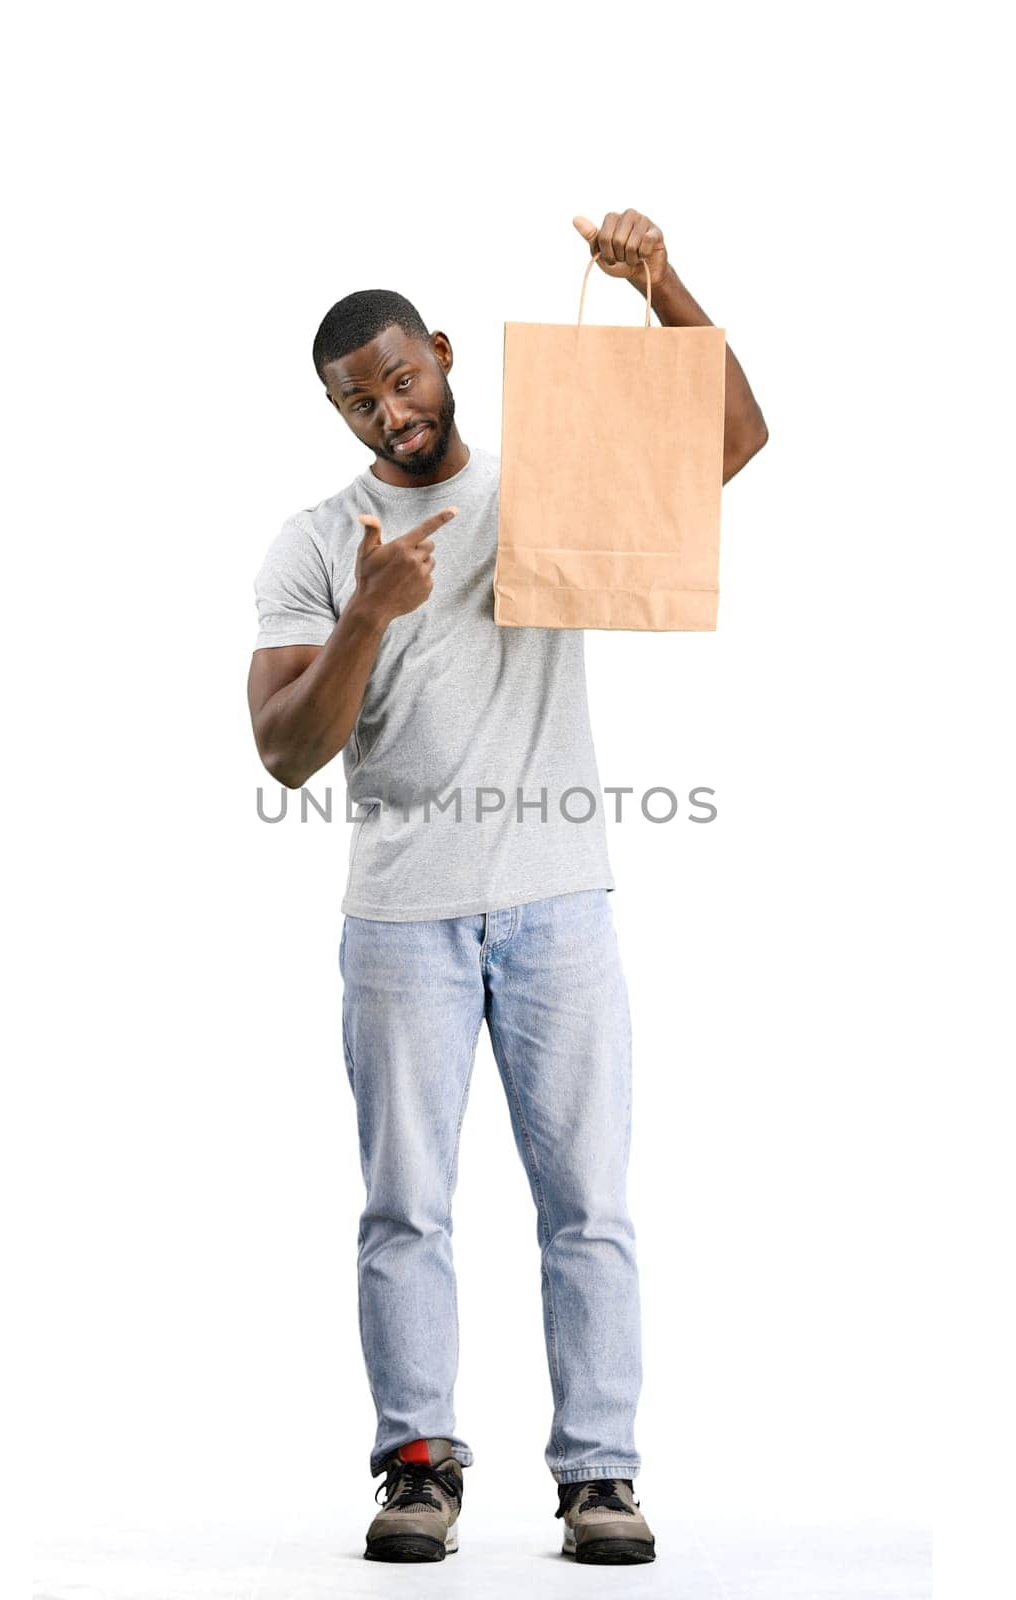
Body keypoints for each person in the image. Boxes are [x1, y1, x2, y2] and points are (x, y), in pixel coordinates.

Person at [247, 209, 768, 1565]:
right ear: (339, 412)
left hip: (559, 908)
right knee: (404, 1208)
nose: (388, 410)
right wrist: (371, 612)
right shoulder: (316, 543)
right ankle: (417, 1466)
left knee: (587, 1202)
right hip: (399, 925)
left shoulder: (546, 488)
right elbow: (286, 752)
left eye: (402, 376)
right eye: (358, 399)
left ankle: (599, 1474)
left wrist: (661, 288)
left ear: (442, 357)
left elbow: (732, 444)